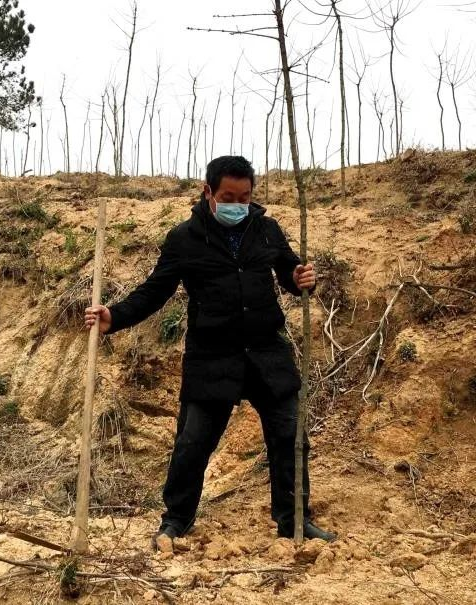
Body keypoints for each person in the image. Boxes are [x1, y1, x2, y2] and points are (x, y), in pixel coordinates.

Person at [84, 155, 336, 551]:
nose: (237, 204)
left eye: (244, 197)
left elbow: (291, 274)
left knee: (290, 437)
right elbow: (155, 290)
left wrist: (302, 278)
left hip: (267, 353)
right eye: (228, 197)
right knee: (193, 442)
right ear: (208, 192)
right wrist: (114, 316)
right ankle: (176, 521)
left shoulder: (266, 230)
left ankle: (294, 521)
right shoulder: (184, 238)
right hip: (212, 357)